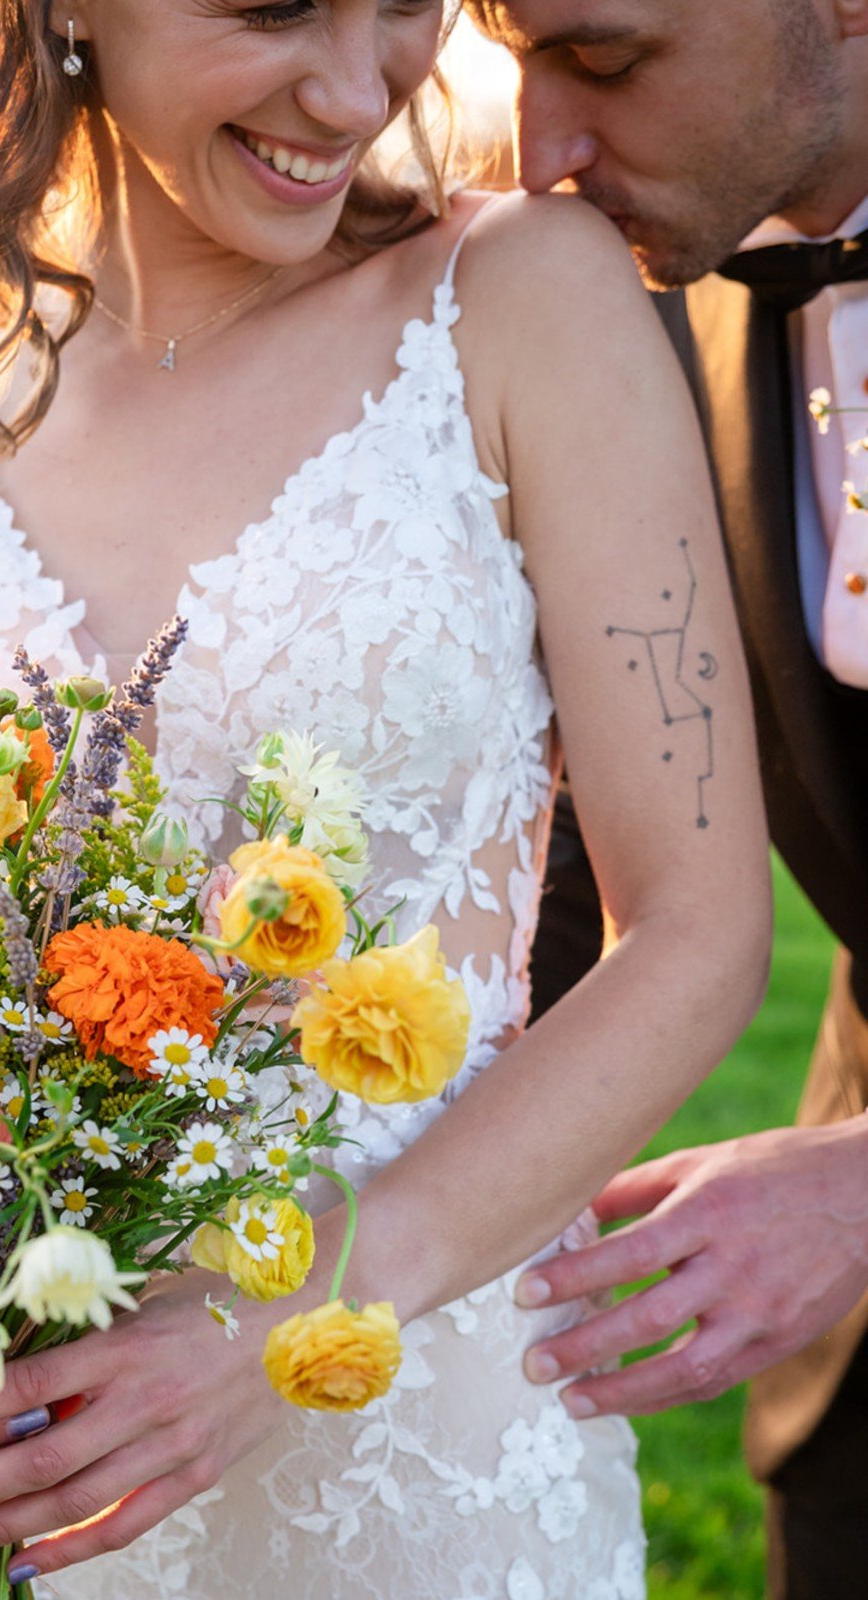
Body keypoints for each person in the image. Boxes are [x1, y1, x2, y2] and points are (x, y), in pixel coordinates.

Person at [0, 1, 771, 1594]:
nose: (356, 88)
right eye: (271, 9)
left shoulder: (522, 296)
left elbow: (698, 932)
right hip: (68, 1473)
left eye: (403, 4)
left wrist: (295, 1318)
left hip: (432, 1448)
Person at [461, 1, 868, 1593]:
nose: (540, 154)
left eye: (608, 61)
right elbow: (575, 832)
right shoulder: (645, 322)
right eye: (514, 68)